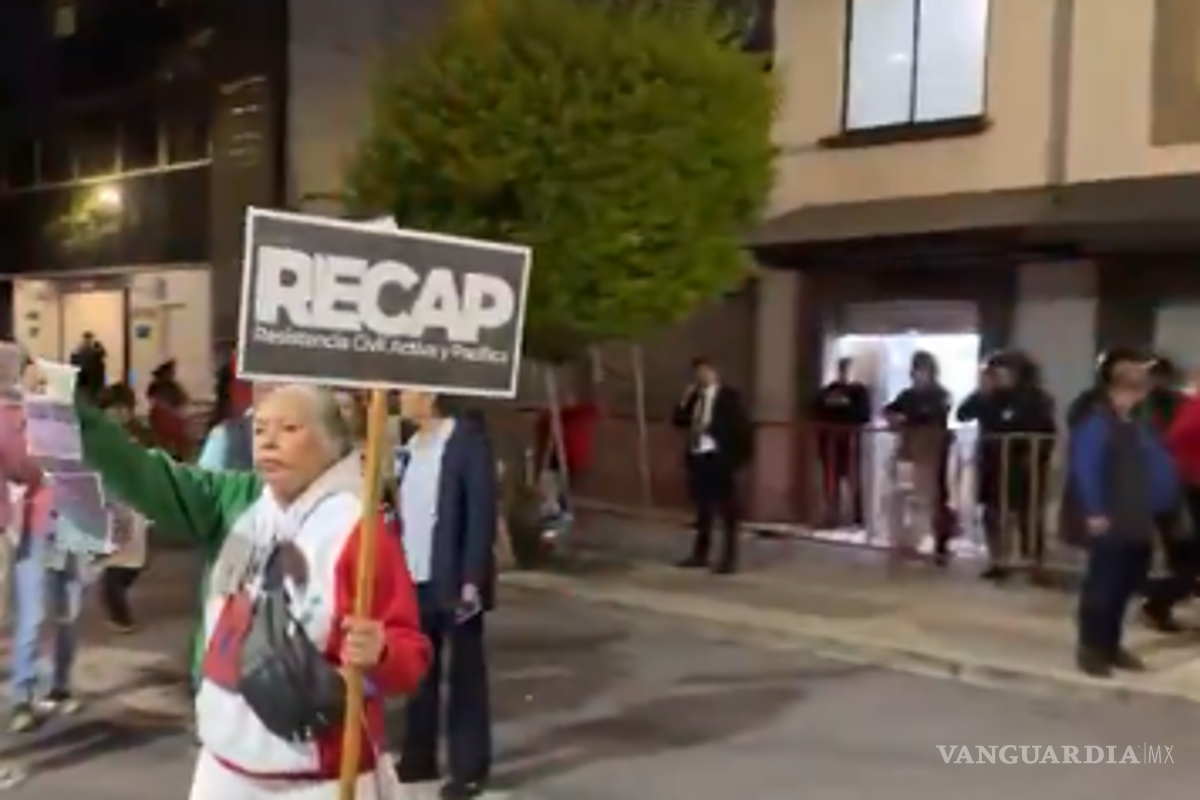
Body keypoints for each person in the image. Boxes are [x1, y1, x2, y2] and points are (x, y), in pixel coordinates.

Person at [74, 381, 430, 799]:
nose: (269, 442)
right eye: (260, 429)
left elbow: (411, 653)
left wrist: (382, 651)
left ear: (331, 442)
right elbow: (144, 475)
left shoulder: (361, 532)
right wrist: (72, 408)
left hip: (319, 778)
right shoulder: (237, 500)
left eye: (289, 429)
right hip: (222, 767)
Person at [392, 389, 498, 800]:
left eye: (407, 392)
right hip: (414, 573)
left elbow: (480, 513)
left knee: (465, 673)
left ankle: (469, 767)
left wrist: (472, 578)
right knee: (419, 670)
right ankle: (419, 755)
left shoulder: (466, 443)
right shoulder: (410, 447)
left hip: (453, 577)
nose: (401, 399)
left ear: (430, 395)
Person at [1068, 350, 1178, 678]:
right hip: (1111, 517)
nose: (1142, 394)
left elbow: (1158, 465)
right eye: (1138, 387)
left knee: (1125, 587)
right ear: (1120, 389)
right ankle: (1091, 648)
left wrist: (1163, 502)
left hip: (1138, 517)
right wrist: (1095, 511)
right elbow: (1085, 469)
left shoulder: (1140, 424)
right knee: (1103, 586)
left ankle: (1112, 645)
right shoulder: (1098, 423)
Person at [957, 352, 1056, 581]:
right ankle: (998, 560)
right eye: (995, 371)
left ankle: (1034, 563)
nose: (1000, 375)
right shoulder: (987, 397)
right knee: (992, 514)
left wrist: (1036, 457)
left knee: (1028, 515)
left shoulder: (1036, 398)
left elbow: (1046, 431)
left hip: (1024, 465)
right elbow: (962, 415)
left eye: (1004, 370)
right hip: (992, 463)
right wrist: (982, 392)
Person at [3, 358, 57, 734]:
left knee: (51, 609)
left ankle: (36, 687)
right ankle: (22, 695)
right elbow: (23, 468)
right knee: (32, 611)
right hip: (26, 524)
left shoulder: (55, 417)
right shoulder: (10, 420)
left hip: (54, 521)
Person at [672, 358, 750, 575]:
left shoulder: (728, 397)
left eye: (705, 371)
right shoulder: (695, 397)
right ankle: (700, 554)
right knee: (703, 509)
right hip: (698, 455)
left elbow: (740, 428)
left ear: (715, 372)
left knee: (728, 510)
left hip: (720, 457)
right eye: (697, 373)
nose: (701, 376)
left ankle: (729, 558)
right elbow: (679, 421)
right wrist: (683, 400)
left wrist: (735, 458)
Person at [884, 351, 954, 565]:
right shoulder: (907, 395)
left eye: (923, 369)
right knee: (904, 497)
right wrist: (895, 418)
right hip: (908, 453)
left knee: (933, 499)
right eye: (915, 369)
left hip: (933, 454)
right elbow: (888, 410)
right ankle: (905, 542)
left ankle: (939, 544)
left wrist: (908, 419)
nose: (918, 374)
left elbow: (933, 415)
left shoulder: (941, 394)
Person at [95, 384, 151, 633]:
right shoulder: (97, 437)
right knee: (118, 560)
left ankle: (114, 604)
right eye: (111, 410)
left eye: (121, 409)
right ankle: (119, 616)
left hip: (136, 505)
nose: (117, 415)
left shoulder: (139, 434)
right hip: (110, 504)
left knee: (135, 562)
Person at [811, 357, 871, 527]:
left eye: (848, 369)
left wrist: (845, 406)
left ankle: (857, 517)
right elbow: (816, 410)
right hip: (830, 444)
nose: (845, 373)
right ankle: (832, 515)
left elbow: (864, 415)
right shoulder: (828, 391)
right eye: (842, 369)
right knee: (831, 481)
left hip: (850, 443)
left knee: (853, 480)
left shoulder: (859, 392)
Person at [147, 360, 192, 460]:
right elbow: (183, 400)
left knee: (173, 441)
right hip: (166, 417)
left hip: (166, 417)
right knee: (173, 440)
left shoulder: (164, 386)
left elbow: (183, 400)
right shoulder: (164, 387)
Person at [69, 331, 106, 399]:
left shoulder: (96, 349)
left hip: (94, 381)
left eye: (90, 339)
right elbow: (73, 363)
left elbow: (103, 354)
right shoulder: (79, 350)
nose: (88, 341)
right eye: (86, 339)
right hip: (84, 380)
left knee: (93, 397)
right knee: (85, 397)